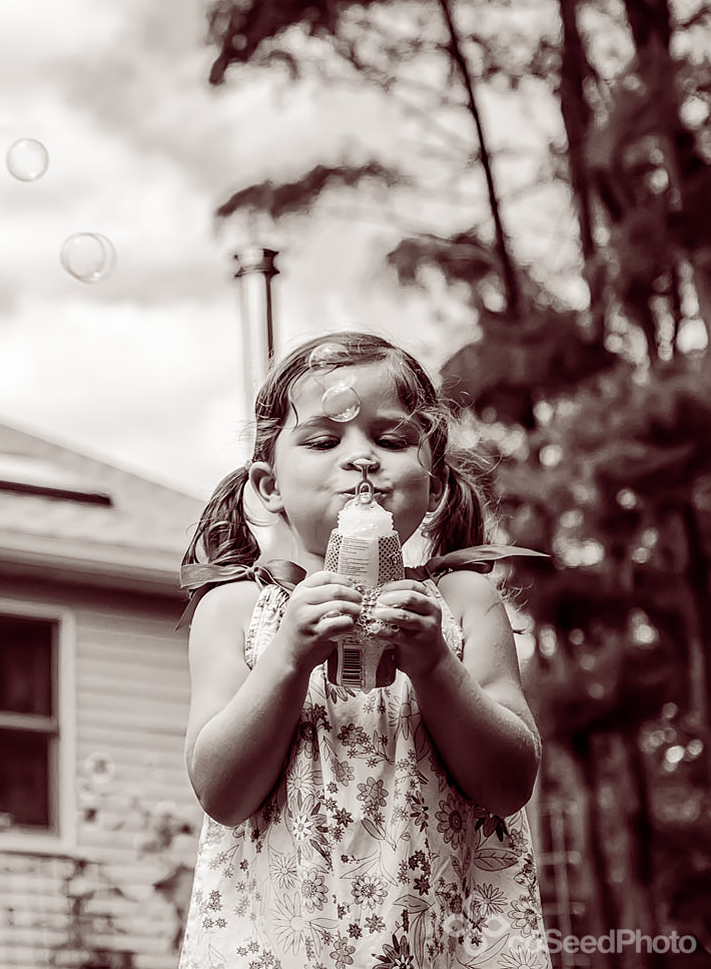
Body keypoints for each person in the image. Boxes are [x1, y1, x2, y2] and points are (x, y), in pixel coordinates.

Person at [177, 331, 550, 968]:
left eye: (392, 439)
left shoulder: (462, 602)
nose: (361, 460)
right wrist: (288, 656)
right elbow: (220, 792)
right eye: (324, 441)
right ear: (269, 487)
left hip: (443, 939)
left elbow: (509, 782)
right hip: (284, 945)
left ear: (432, 484)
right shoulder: (236, 611)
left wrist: (436, 666)